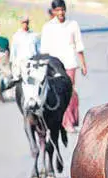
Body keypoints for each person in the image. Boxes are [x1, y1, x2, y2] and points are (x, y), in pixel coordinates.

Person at [40, 0, 87, 133]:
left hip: (70, 63)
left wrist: (83, 64)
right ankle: (59, 121)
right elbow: (44, 50)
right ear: (53, 11)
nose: (60, 13)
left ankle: (69, 122)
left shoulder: (73, 25)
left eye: (62, 10)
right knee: (56, 93)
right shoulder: (47, 27)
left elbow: (79, 45)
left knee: (69, 92)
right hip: (54, 65)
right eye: (58, 10)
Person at [10, 15, 40, 80]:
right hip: (21, 64)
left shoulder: (34, 35)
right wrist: (13, 65)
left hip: (32, 63)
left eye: (26, 22)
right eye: (23, 22)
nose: (25, 24)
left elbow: (39, 50)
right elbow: (13, 53)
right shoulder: (16, 36)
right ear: (21, 23)